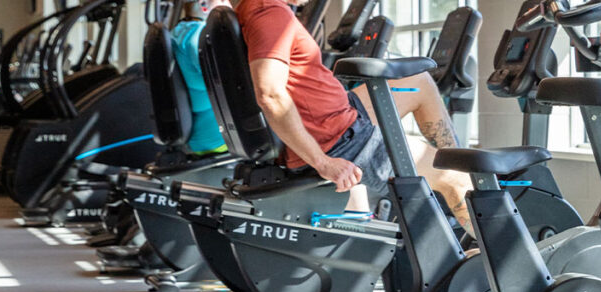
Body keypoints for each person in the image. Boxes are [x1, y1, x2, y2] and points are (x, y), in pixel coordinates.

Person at [235, 0, 473, 229]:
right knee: (453, 177)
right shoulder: (269, 12)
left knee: (419, 83)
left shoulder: (262, 8)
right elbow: (270, 95)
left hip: (337, 116)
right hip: (339, 139)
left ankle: (453, 175)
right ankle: (487, 249)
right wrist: (323, 162)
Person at [172, 0, 229, 156]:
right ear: (203, 5)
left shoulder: (180, 30)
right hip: (213, 138)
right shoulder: (199, 38)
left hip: (198, 131)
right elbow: (225, 78)